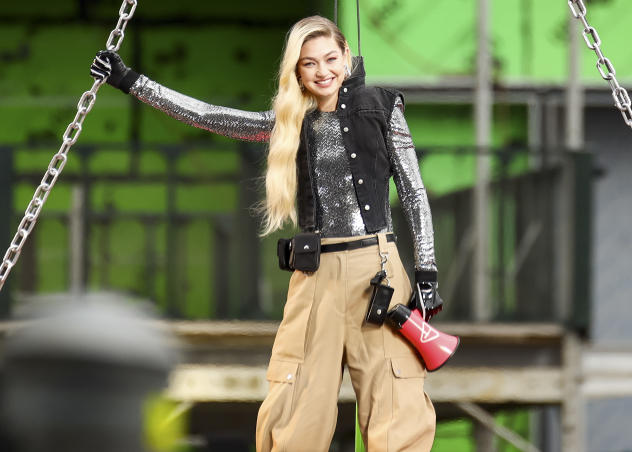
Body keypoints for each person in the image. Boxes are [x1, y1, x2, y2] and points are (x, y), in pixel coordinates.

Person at [91, 15, 442, 452]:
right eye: (309, 63)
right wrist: (131, 81)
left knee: (396, 399)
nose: (323, 71)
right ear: (296, 71)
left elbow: (413, 193)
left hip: (380, 272)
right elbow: (212, 117)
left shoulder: (383, 107)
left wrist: (426, 272)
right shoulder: (289, 123)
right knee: (296, 403)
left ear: (346, 57)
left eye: (331, 58)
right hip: (316, 278)